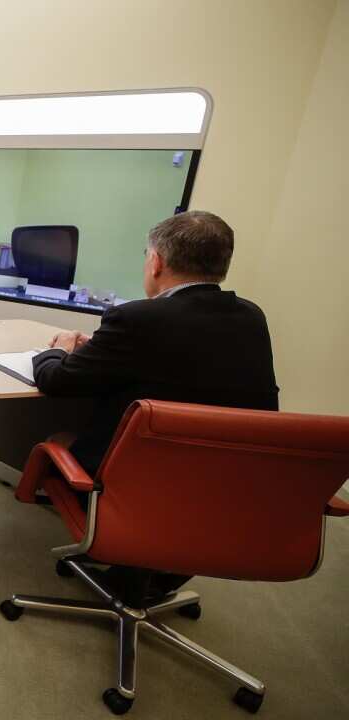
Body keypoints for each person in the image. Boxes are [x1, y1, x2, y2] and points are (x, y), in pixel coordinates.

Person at [31, 210, 278, 602]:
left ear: (157, 262)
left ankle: (130, 559)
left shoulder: (136, 319)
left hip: (128, 490)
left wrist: (59, 350)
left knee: (63, 439)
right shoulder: (251, 318)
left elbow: (57, 381)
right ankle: (149, 573)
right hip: (225, 495)